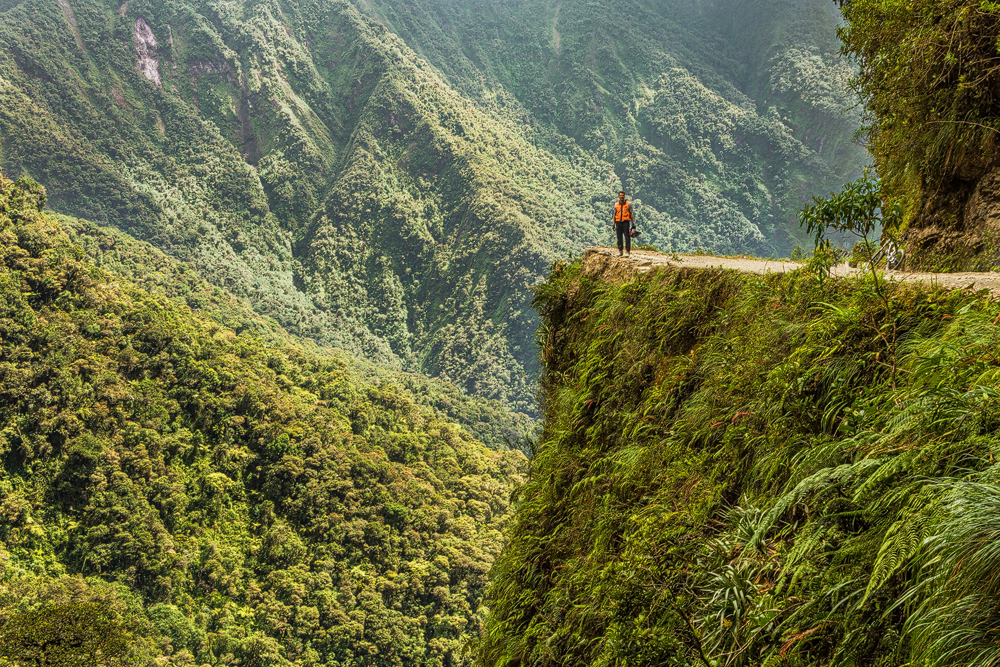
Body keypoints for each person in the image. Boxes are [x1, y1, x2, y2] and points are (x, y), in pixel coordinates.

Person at [612, 191, 635, 257]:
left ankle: (627, 251)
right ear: (618, 196)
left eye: (623, 195)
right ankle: (620, 251)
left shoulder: (628, 204)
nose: (621, 196)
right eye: (620, 195)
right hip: (618, 222)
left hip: (625, 222)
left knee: (627, 237)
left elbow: (631, 214)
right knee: (619, 237)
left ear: (624, 196)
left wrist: (633, 223)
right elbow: (615, 214)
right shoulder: (616, 204)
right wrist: (613, 224)